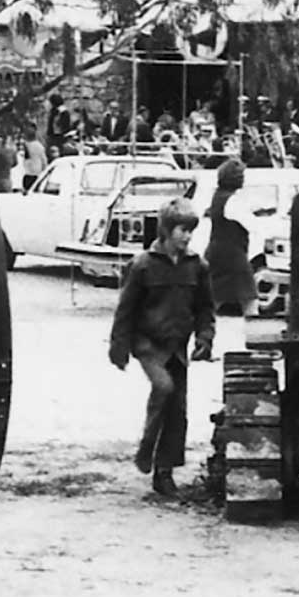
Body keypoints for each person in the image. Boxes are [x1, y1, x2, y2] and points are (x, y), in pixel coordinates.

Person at [108, 197, 214, 497]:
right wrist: (119, 346)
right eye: (182, 230)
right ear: (166, 230)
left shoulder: (198, 266)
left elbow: (206, 308)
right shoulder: (143, 266)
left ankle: (164, 472)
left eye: (191, 231)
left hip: (177, 347)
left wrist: (205, 339)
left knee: (178, 410)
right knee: (164, 388)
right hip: (148, 344)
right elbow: (125, 309)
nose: (187, 236)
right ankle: (147, 447)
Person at [201, 158, 254, 318]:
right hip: (232, 254)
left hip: (217, 250)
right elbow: (251, 224)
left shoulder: (217, 196)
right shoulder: (233, 200)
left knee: (217, 296)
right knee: (246, 297)